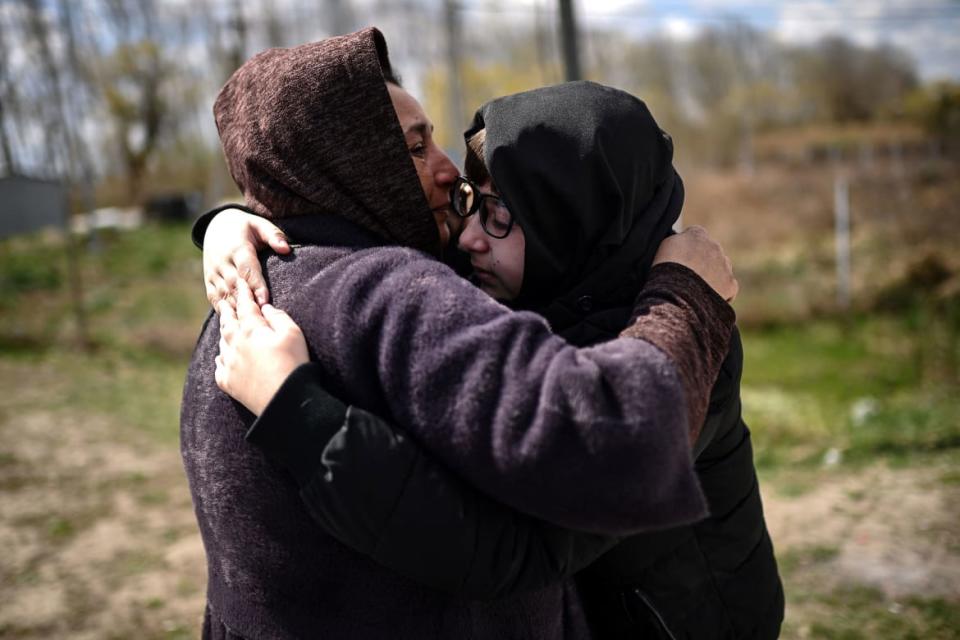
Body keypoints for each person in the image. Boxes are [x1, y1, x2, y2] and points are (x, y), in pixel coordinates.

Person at [182, 28, 738, 639]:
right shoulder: (389, 295)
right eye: (416, 148)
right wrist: (689, 290)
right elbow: (607, 450)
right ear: (349, 161)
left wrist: (229, 218)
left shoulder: (245, 293)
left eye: (499, 213)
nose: (448, 171)